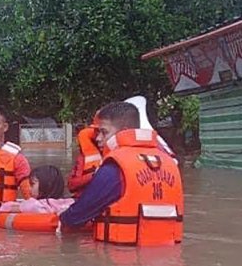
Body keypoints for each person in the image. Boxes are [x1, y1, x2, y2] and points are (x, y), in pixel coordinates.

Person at [60, 101, 184, 245]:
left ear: (124, 131)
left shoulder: (114, 168)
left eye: (104, 132)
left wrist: (60, 219)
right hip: (167, 258)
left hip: (121, 260)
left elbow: (75, 218)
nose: (98, 138)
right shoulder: (169, 163)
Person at [0, 165, 74, 214]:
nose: (29, 188)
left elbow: (5, 208)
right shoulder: (69, 203)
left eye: (32, 184)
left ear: (46, 185)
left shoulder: (35, 205)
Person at [66, 113, 103, 198]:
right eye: (97, 131)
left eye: (104, 132)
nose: (99, 137)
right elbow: (71, 185)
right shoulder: (83, 158)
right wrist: (93, 175)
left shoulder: (123, 158)